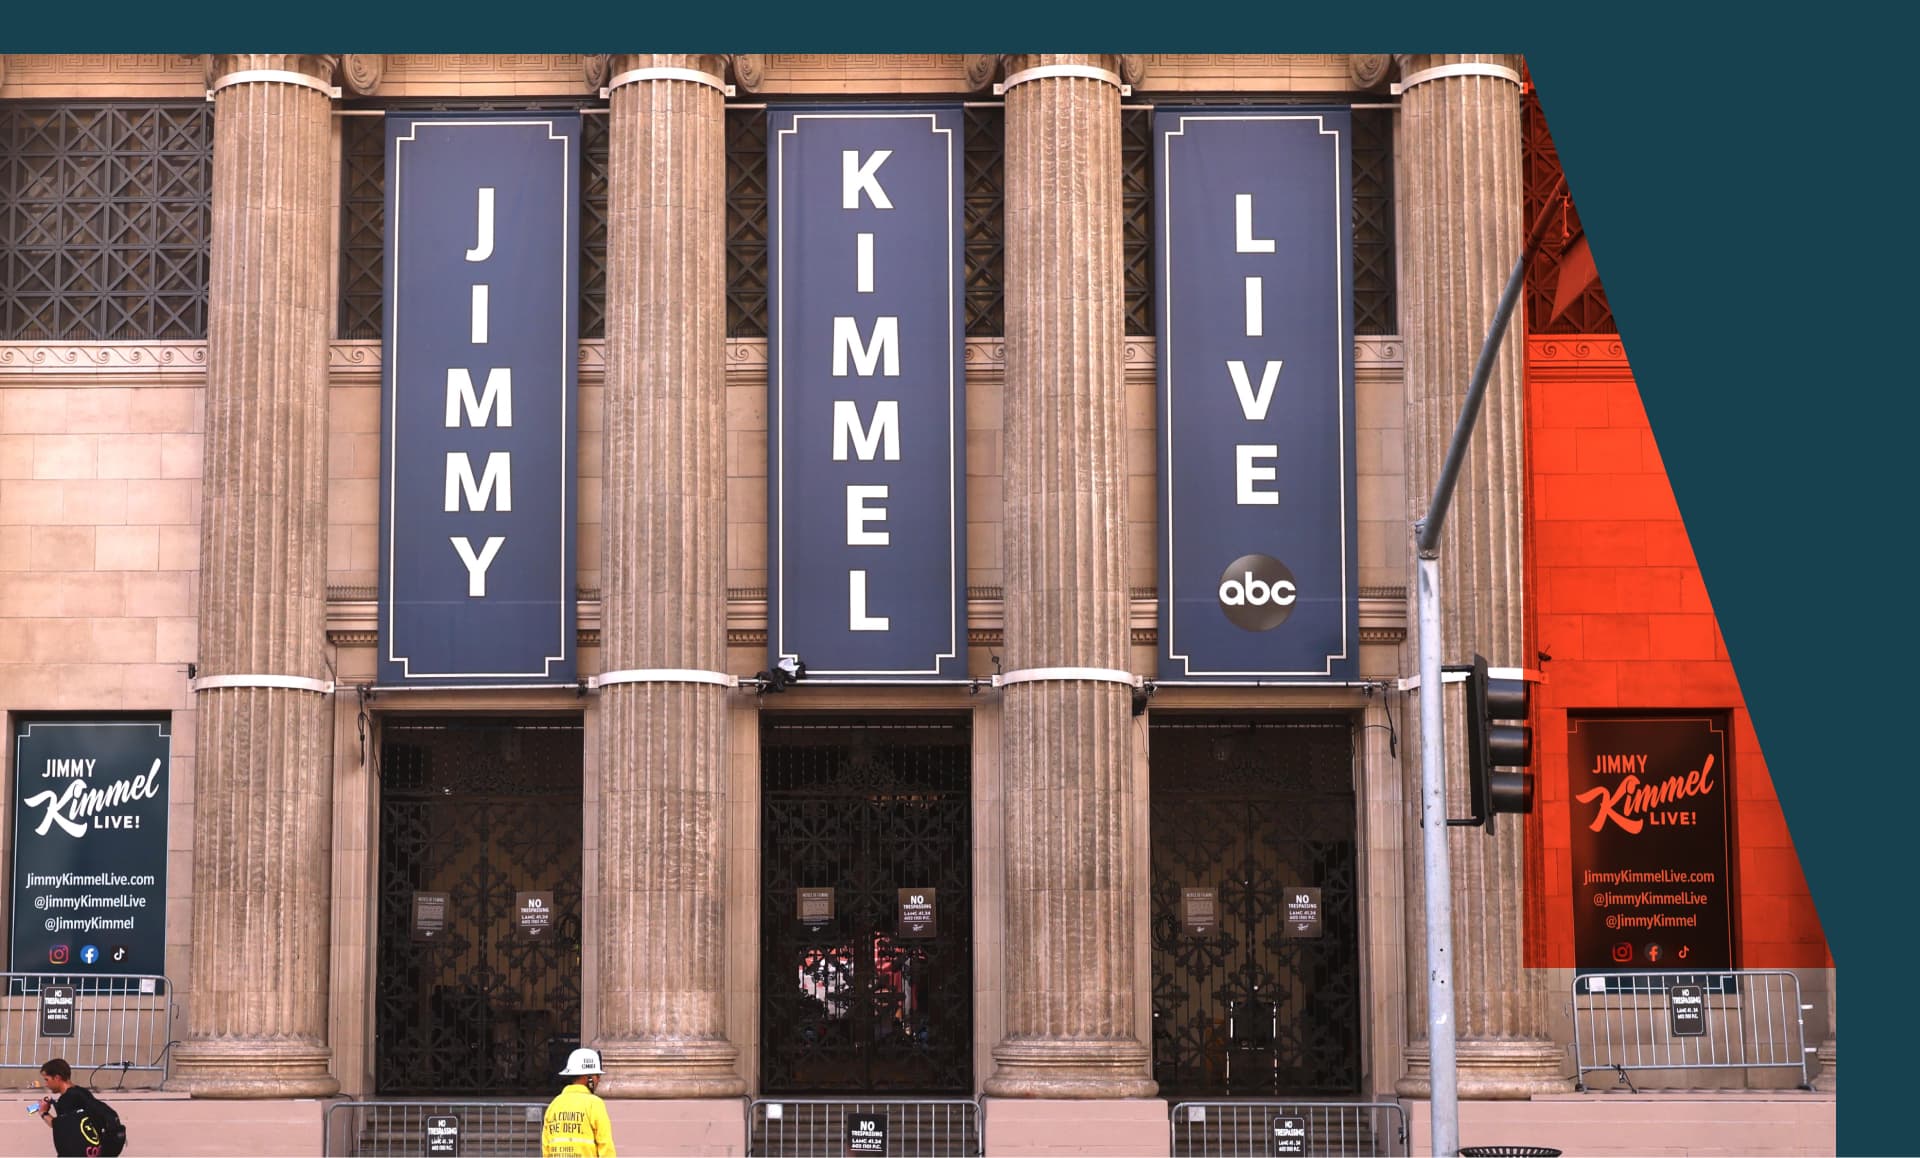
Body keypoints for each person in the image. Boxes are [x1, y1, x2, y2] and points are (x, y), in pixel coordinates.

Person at [35, 1058, 124, 1158]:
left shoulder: (67, 1100)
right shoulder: (82, 1092)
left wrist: (43, 1112)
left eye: (47, 1079)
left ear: (57, 1078)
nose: (46, 1084)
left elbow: (60, 1127)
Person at [541, 1047, 615, 1157]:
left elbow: (546, 1148)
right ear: (588, 1077)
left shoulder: (554, 1105)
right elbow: (606, 1146)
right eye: (597, 1075)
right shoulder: (595, 1104)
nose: (598, 1080)